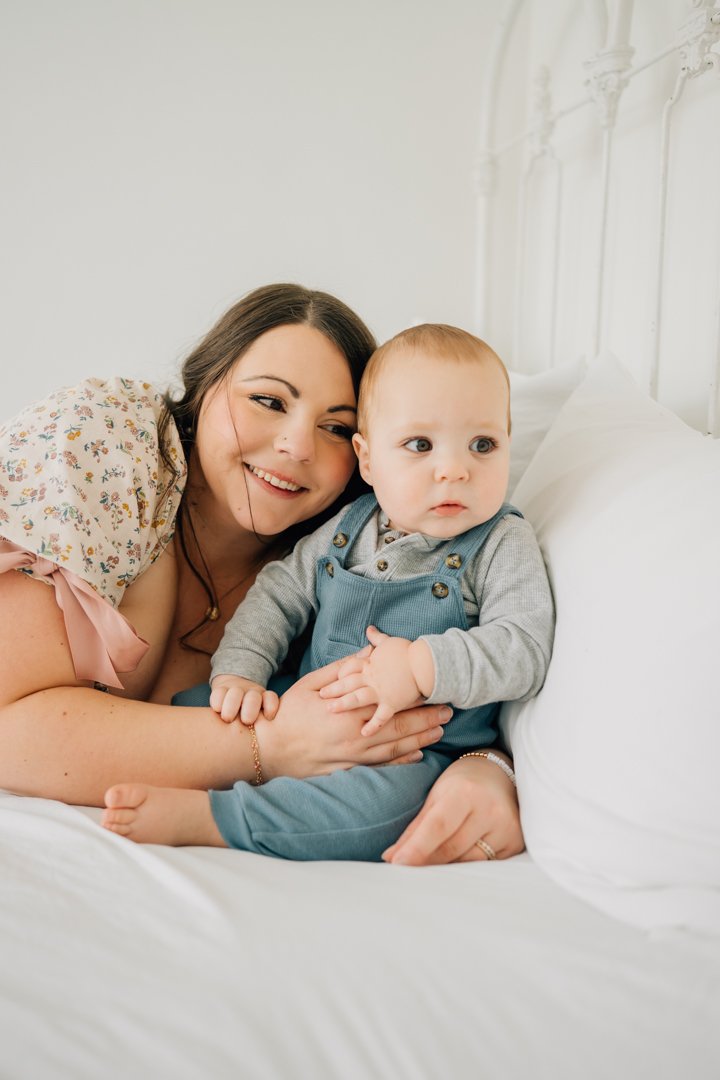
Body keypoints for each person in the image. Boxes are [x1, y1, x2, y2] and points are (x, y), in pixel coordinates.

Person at [0, 284, 523, 864]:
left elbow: (496, 658)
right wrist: (265, 744)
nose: (297, 445)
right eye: (269, 401)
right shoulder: (113, 452)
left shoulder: (379, 532)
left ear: (361, 455)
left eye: (332, 428)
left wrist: (490, 767)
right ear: (206, 382)